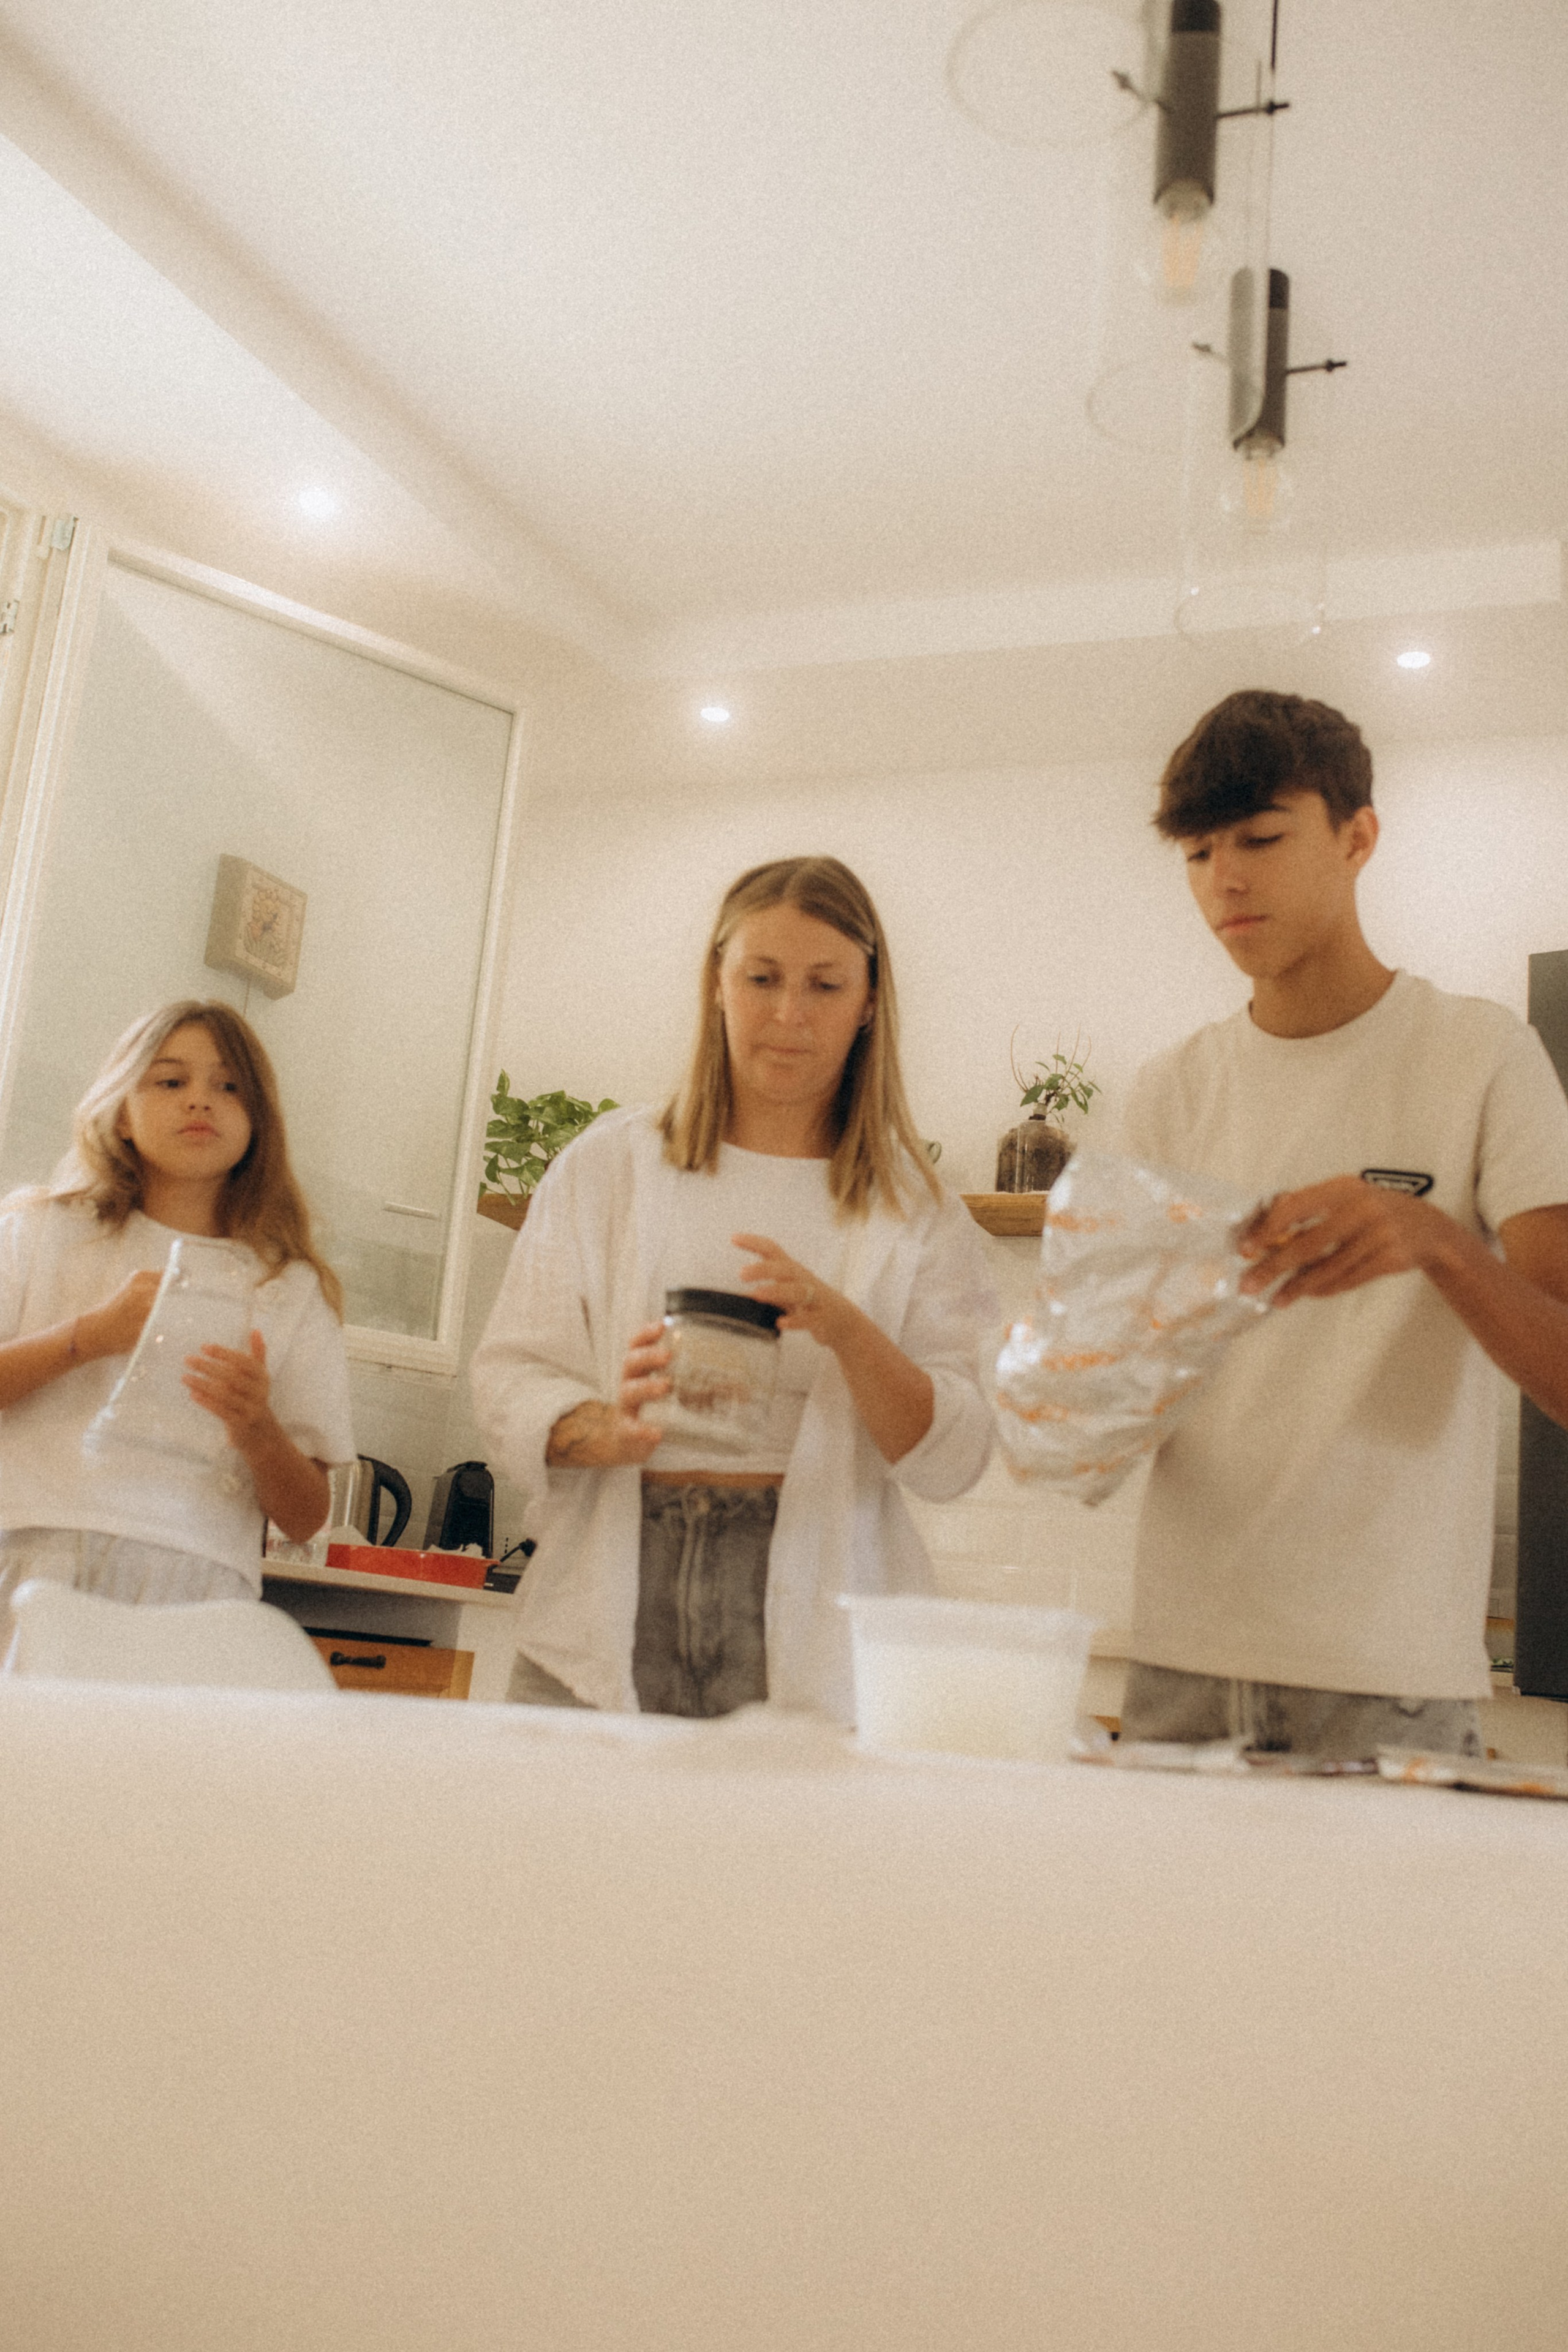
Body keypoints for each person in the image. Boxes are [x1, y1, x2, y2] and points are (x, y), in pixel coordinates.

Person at [1117, 690, 1568, 1758]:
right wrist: (1064, 1377)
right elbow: (1122, 1391)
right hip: (1180, 1664)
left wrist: (1440, 1243)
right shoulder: (1167, 1092)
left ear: (1358, 836)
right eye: (1197, 852)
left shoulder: (1481, 1054)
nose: (1225, 880)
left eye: (1262, 839)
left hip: (1389, 1676)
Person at [471, 855, 998, 1720]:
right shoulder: (609, 1166)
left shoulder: (916, 1209)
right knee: (562, 1850)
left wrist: (846, 1330)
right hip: (602, 1599)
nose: (789, 1015)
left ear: (869, 1003)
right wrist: (608, 1427)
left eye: (824, 985)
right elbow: (508, 1378)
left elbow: (957, 1452)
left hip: (815, 1616)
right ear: (717, 983)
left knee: (778, 1855)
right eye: (762, 978)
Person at [0, 999, 354, 1621]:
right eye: (170, 1081)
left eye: (228, 1086)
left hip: (200, 1584)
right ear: (124, 1115)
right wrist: (87, 1337)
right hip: (29, 1550)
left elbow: (305, 1518)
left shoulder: (290, 1288)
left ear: (258, 1124)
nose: (199, 1100)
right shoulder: (38, 1232)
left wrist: (258, 1429)